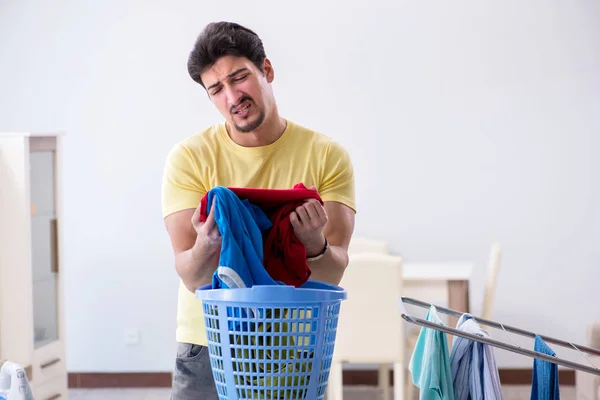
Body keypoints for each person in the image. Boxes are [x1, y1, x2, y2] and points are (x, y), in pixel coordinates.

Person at [161, 21, 357, 399]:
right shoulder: (189, 158)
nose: (233, 96)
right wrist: (207, 244)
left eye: (240, 78)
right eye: (217, 89)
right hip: (208, 343)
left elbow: (333, 272)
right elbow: (190, 274)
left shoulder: (326, 156)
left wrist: (314, 243)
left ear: (266, 70)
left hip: (293, 345)